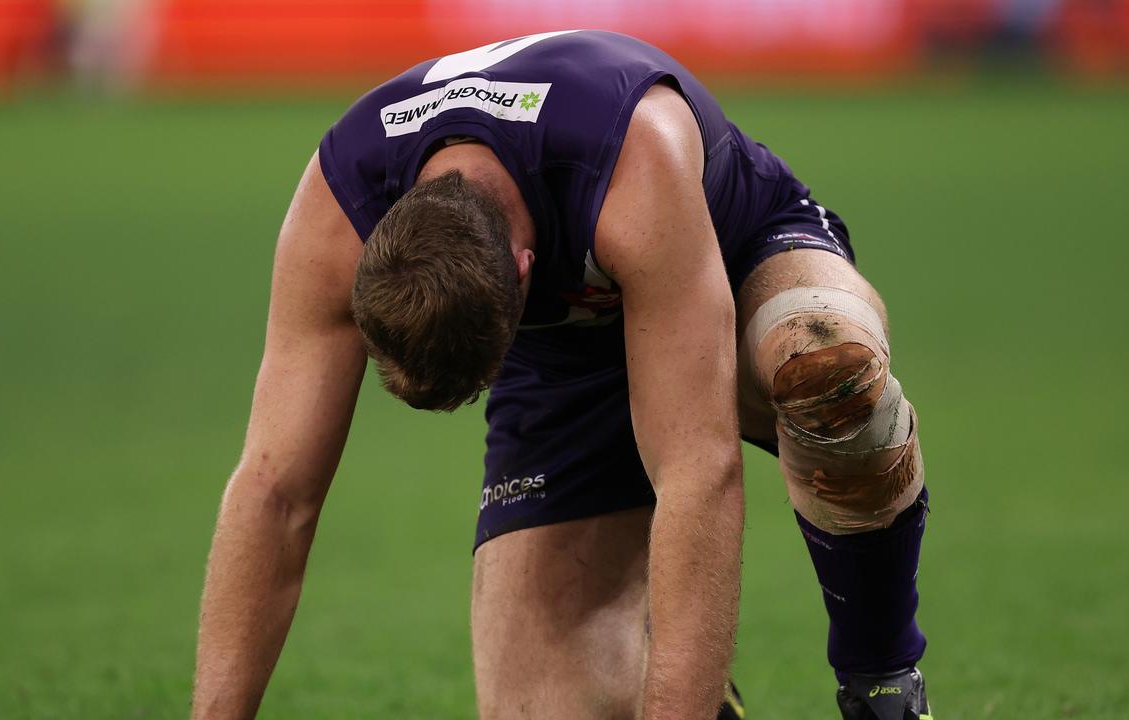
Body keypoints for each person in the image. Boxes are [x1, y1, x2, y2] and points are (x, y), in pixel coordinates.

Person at [190, 29, 933, 720]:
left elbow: (698, 472)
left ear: (524, 275)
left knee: (826, 366)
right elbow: (272, 492)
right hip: (562, 363)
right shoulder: (338, 209)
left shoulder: (623, 156)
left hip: (735, 264)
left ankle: (882, 680)